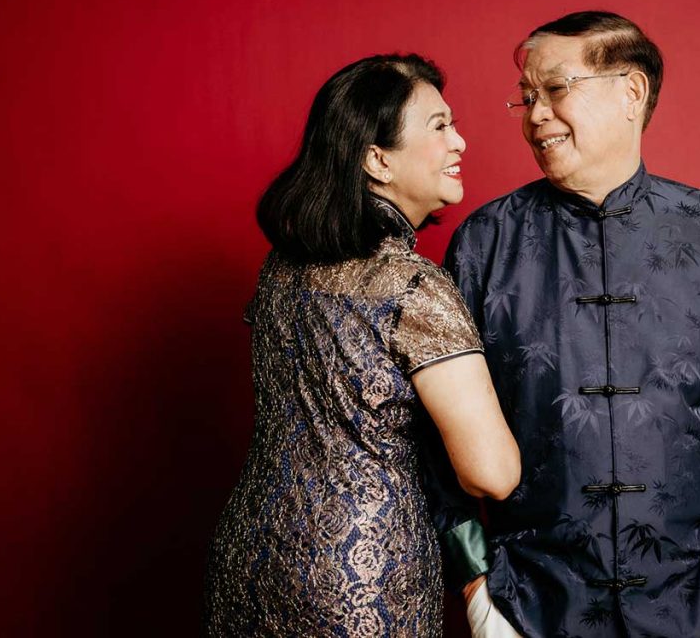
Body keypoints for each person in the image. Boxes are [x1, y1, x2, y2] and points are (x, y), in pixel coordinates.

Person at [426, 12, 700, 637]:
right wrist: (475, 581)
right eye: (526, 97)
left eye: (555, 89)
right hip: (527, 604)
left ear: (630, 93)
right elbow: (433, 432)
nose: (534, 115)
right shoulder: (485, 243)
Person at [204, 53, 520, 637]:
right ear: (377, 160)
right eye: (440, 126)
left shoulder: (282, 268)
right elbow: (492, 473)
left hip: (248, 558)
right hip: (361, 577)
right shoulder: (414, 288)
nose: (461, 141)